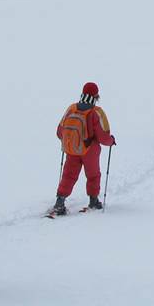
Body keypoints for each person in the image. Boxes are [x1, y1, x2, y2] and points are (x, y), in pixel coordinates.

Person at [50, 82, 115, 215]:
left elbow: (59, 131)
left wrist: (69, 141)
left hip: (72, 149)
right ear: (96, 96)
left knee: (68, 175)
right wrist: (111, 141)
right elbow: (103, 136)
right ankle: (93, 200)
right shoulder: (96, 112)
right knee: (93, 175)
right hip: (89, 150)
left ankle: (60, 202)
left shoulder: (71, 108)